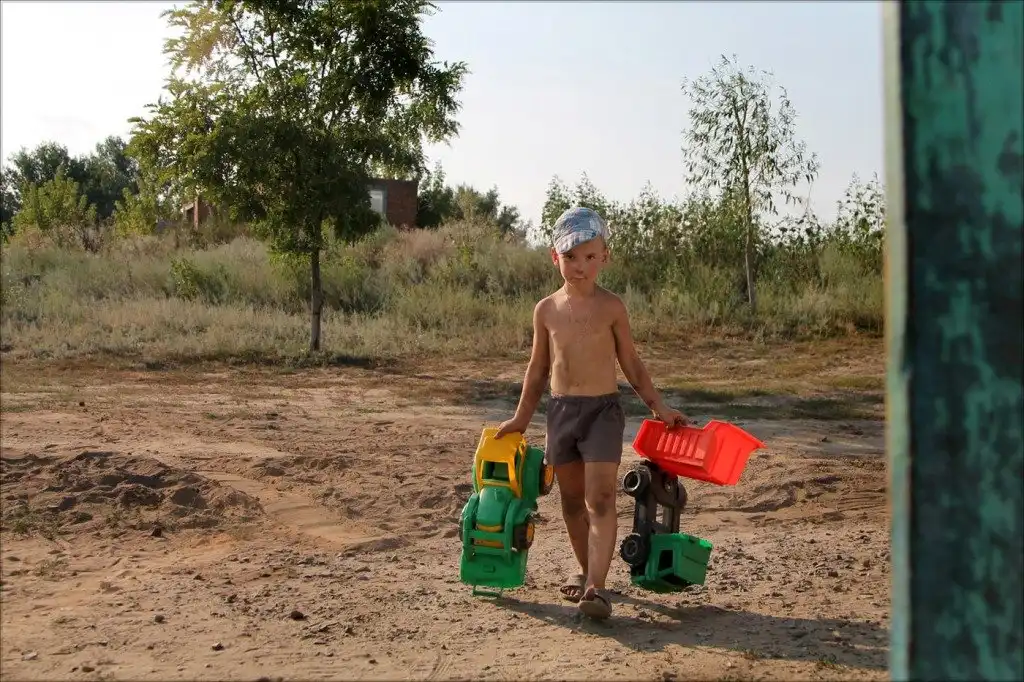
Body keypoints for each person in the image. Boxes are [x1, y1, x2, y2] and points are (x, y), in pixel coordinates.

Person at [495, 206, 687, 621]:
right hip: (561, 412)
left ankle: (598, 589)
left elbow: (631, 363)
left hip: (602, 412)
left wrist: (659, 406)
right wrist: (521, 419)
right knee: (570, 502)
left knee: (599, 499)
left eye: (588, 256)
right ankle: (585, 570)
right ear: (555, 257)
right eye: (570, 256)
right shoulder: (546, 310)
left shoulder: (612, 307)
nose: (579, 265)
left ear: (604, 257)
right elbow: (537, 369)